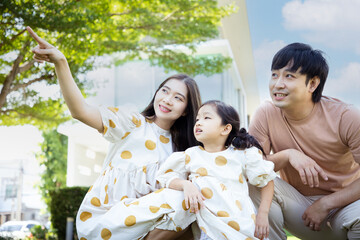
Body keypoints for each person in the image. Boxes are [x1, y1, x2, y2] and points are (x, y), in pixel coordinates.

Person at [26, 26, 202, 239]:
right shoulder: (132, 122)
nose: (167, 99)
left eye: (178, 98)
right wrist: (61, 63)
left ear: (185, 111)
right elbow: (80, 111)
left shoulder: (182, 153)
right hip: (105, 219)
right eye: (164, 90)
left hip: (143, 228)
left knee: (192, 201)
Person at [112, 100, 275, 239]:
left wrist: (263, 213)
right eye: (197, 119)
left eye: (207, 118)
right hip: (208, 228)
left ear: (225, 129)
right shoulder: (191, 155)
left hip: (242, 224)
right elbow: (167, 177)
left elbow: (266, 181)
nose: (198, 122)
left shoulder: (242, 155)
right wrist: (186, 185)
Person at [248, 42, 360, 240]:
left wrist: (327, 203)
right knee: (255, 183)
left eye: (289, 76)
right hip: (300, 210)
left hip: (347, 207)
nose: (277, 84)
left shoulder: (346, 117)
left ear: (312, 84)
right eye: (274, 74)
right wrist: (287, 155)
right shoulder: (265, 113)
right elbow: (250, 169)